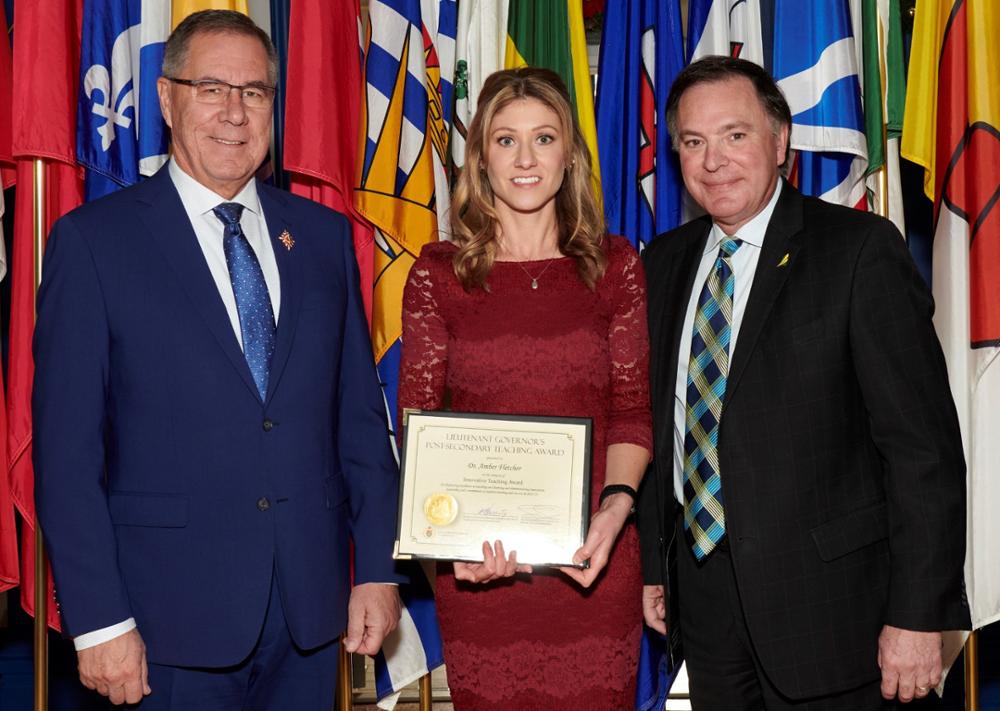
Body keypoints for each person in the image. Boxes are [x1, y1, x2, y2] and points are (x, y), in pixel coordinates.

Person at [33, 10, 402, 710]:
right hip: (162, 627)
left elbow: (358, 422)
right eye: (211, 88)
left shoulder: (322, 240)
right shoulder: (93, 244)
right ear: (168, 99)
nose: (235, 112)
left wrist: (378, 568)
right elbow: (67, 456)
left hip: (310, 618)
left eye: (255, 92)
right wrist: (101, 621)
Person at [637, 55, 970, 710]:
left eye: (734, 135)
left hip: (840, 619)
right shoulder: (663, 265)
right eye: (693, 142)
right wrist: (657, 566)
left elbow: (922, 450)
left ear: (780, 141)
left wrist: (918, 614)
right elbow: (660, 425)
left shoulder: (859, 251)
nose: (713, 161)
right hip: (706, 614)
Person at [397, 67, 652, 710]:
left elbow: (633, 413)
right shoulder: (437, 276)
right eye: (505, 140)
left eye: (544, 138)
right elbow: (419, 428)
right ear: (481, 158)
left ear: (569, 156)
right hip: (481, 581)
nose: (526, 158)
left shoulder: (616, 267)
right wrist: (448, 553)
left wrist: (614, 513)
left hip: (594, 566)